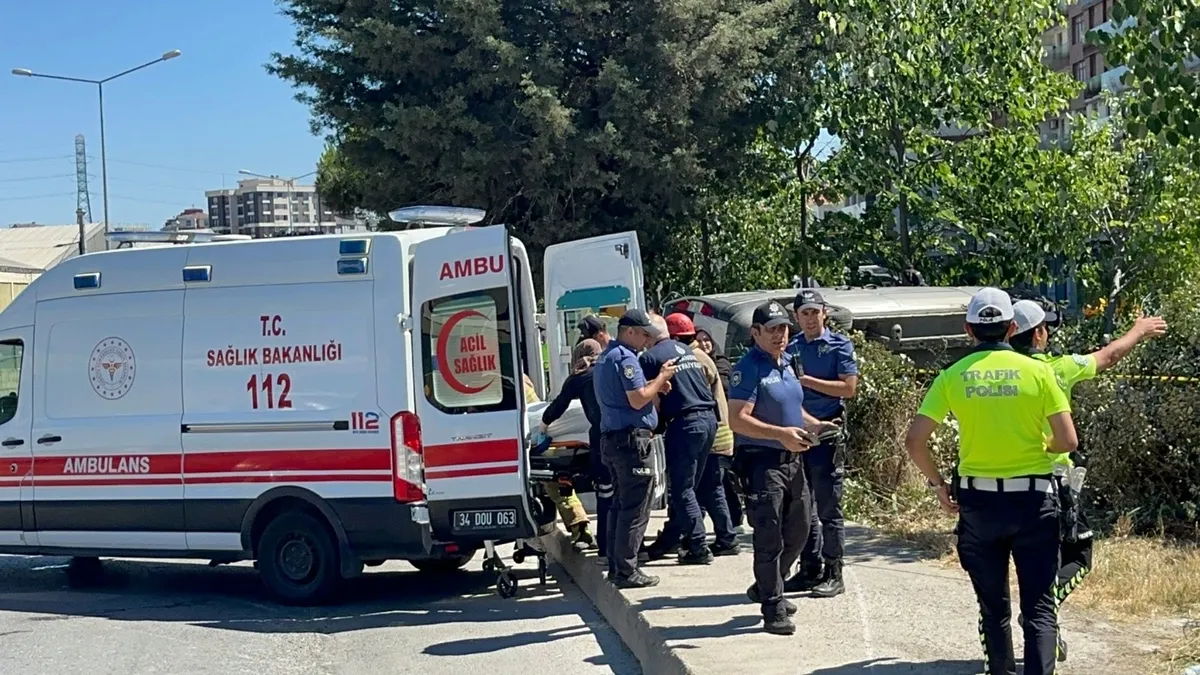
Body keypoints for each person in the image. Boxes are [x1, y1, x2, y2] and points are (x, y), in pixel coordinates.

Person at [905, 287, 1078, 675]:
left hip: (979, 505)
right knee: (1039, 607)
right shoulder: (1039, 372)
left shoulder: (951, 376)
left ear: (969, 330)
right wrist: (1038, 446)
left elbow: (915, 441)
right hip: (1034, 503)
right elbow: (1068, 440)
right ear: (1012, 326)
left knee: (993, 608)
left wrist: (938, 485)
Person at [1008, 299, 1167, 660]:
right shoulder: (1057, 369)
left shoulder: (1000, 370)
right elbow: (1108, 356)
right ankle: (1041, 612)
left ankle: (1039, 617)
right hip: (1056, 481)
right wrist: (1138, 331)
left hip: (1007, 482)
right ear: (1040, 334)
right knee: (1078, 557)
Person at [727, 300, 831, 635]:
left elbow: (792, 411)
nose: (779, 335)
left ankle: (768, 585)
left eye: (783, 328)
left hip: (793, 460)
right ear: (755, 332)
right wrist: (780, 435)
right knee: (769, 537)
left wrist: (816, 426)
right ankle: (772, 606)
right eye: (771, 329)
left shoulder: (787, 364)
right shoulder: (748, 368)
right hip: (762, 463)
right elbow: (736, 419)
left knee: (800, 530)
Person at [593, 308, 678, 589]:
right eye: (643, 334)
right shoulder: (626, 358)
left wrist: (654, 386)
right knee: (635, 507)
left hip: (614, 439)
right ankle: (627, 570)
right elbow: (638, 398)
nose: (646, 340)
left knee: (620, 504)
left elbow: (635, 393)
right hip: (631, 442)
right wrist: (662, 377)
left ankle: (619, 566)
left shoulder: (607, 356)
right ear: (629, 331)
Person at [785, 288, 859, 597]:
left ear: (824, 313)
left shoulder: (839, 346)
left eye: (815, 312)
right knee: (803, 506)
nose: (811, 318)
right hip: (800, 432)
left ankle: (834, 571)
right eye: (805, 313)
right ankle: (809, 568)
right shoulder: (791, 349)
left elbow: (848, 388)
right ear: (797, 316)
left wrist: (808, 381)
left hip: (828, 434)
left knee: (829, 507)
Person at [640, 313, 720, 565]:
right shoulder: (685, 350)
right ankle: (671, 540)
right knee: (689, 489)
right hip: (708, 421)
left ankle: (698, 545)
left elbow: (648, 396)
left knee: (682, 489)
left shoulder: (650, 358)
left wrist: (652, 425)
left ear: (649, 336)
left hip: (684, 424)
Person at [666, 312, 739, 556]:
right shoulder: (699, 357)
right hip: (719, 430)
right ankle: (726, 537)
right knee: (711, 487)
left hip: (711, 433)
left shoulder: (693, 358)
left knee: (695, 487)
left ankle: (696, 540)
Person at [540, 339, 609, 554]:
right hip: (625, 434)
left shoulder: (580, 376)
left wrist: (543, 426)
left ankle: (606, 546)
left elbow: (558, 406)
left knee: (606, 493)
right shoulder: (612, 366)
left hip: (601, 438)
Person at [524, 374, 594, 548]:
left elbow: (539, 414)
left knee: (555, 482)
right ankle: (580, 527)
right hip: (546, 433)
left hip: (539, 434)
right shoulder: (519, 380)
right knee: (556, 481)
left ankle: (580, 526)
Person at [696, 328, 742, 529]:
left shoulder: (720, 365)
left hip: (724, 429)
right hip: (709, 431)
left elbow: (725, 387)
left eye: (707, 339)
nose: (704, 344)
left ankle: (733, 519)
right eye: (699, 341)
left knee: (722, 479)